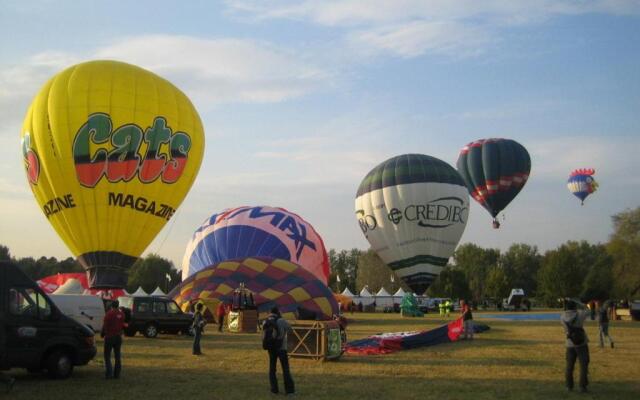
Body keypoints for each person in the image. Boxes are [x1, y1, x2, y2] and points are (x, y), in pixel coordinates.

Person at [263, 306, 294, 395]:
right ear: (278, 312)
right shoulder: (281, 321)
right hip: (281, 348)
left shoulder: (266, 321)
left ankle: (274, 390)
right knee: (285, 369)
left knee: (272, 369)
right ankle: (289, 391)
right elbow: (290, 329)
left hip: (271, 348)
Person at [561, 298, 590, 393]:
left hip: (569, 343)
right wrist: (579, 302)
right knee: (583, 365)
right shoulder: (580, 314)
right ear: (575, 307)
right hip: (581, 342)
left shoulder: (562, 317)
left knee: (569, 366)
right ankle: (582, 386)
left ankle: (569, 386)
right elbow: (587, 309)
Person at [102, 300, 126, 379]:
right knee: (117, 356)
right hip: (118, 337)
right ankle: (117, 374)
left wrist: (103, 334)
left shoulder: (109, 314)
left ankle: (109, 374)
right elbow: (123, 325)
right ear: (118, 305)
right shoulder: (122, 314)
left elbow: (105, 326)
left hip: (109, 337)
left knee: (107, 356)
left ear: (111, 306)